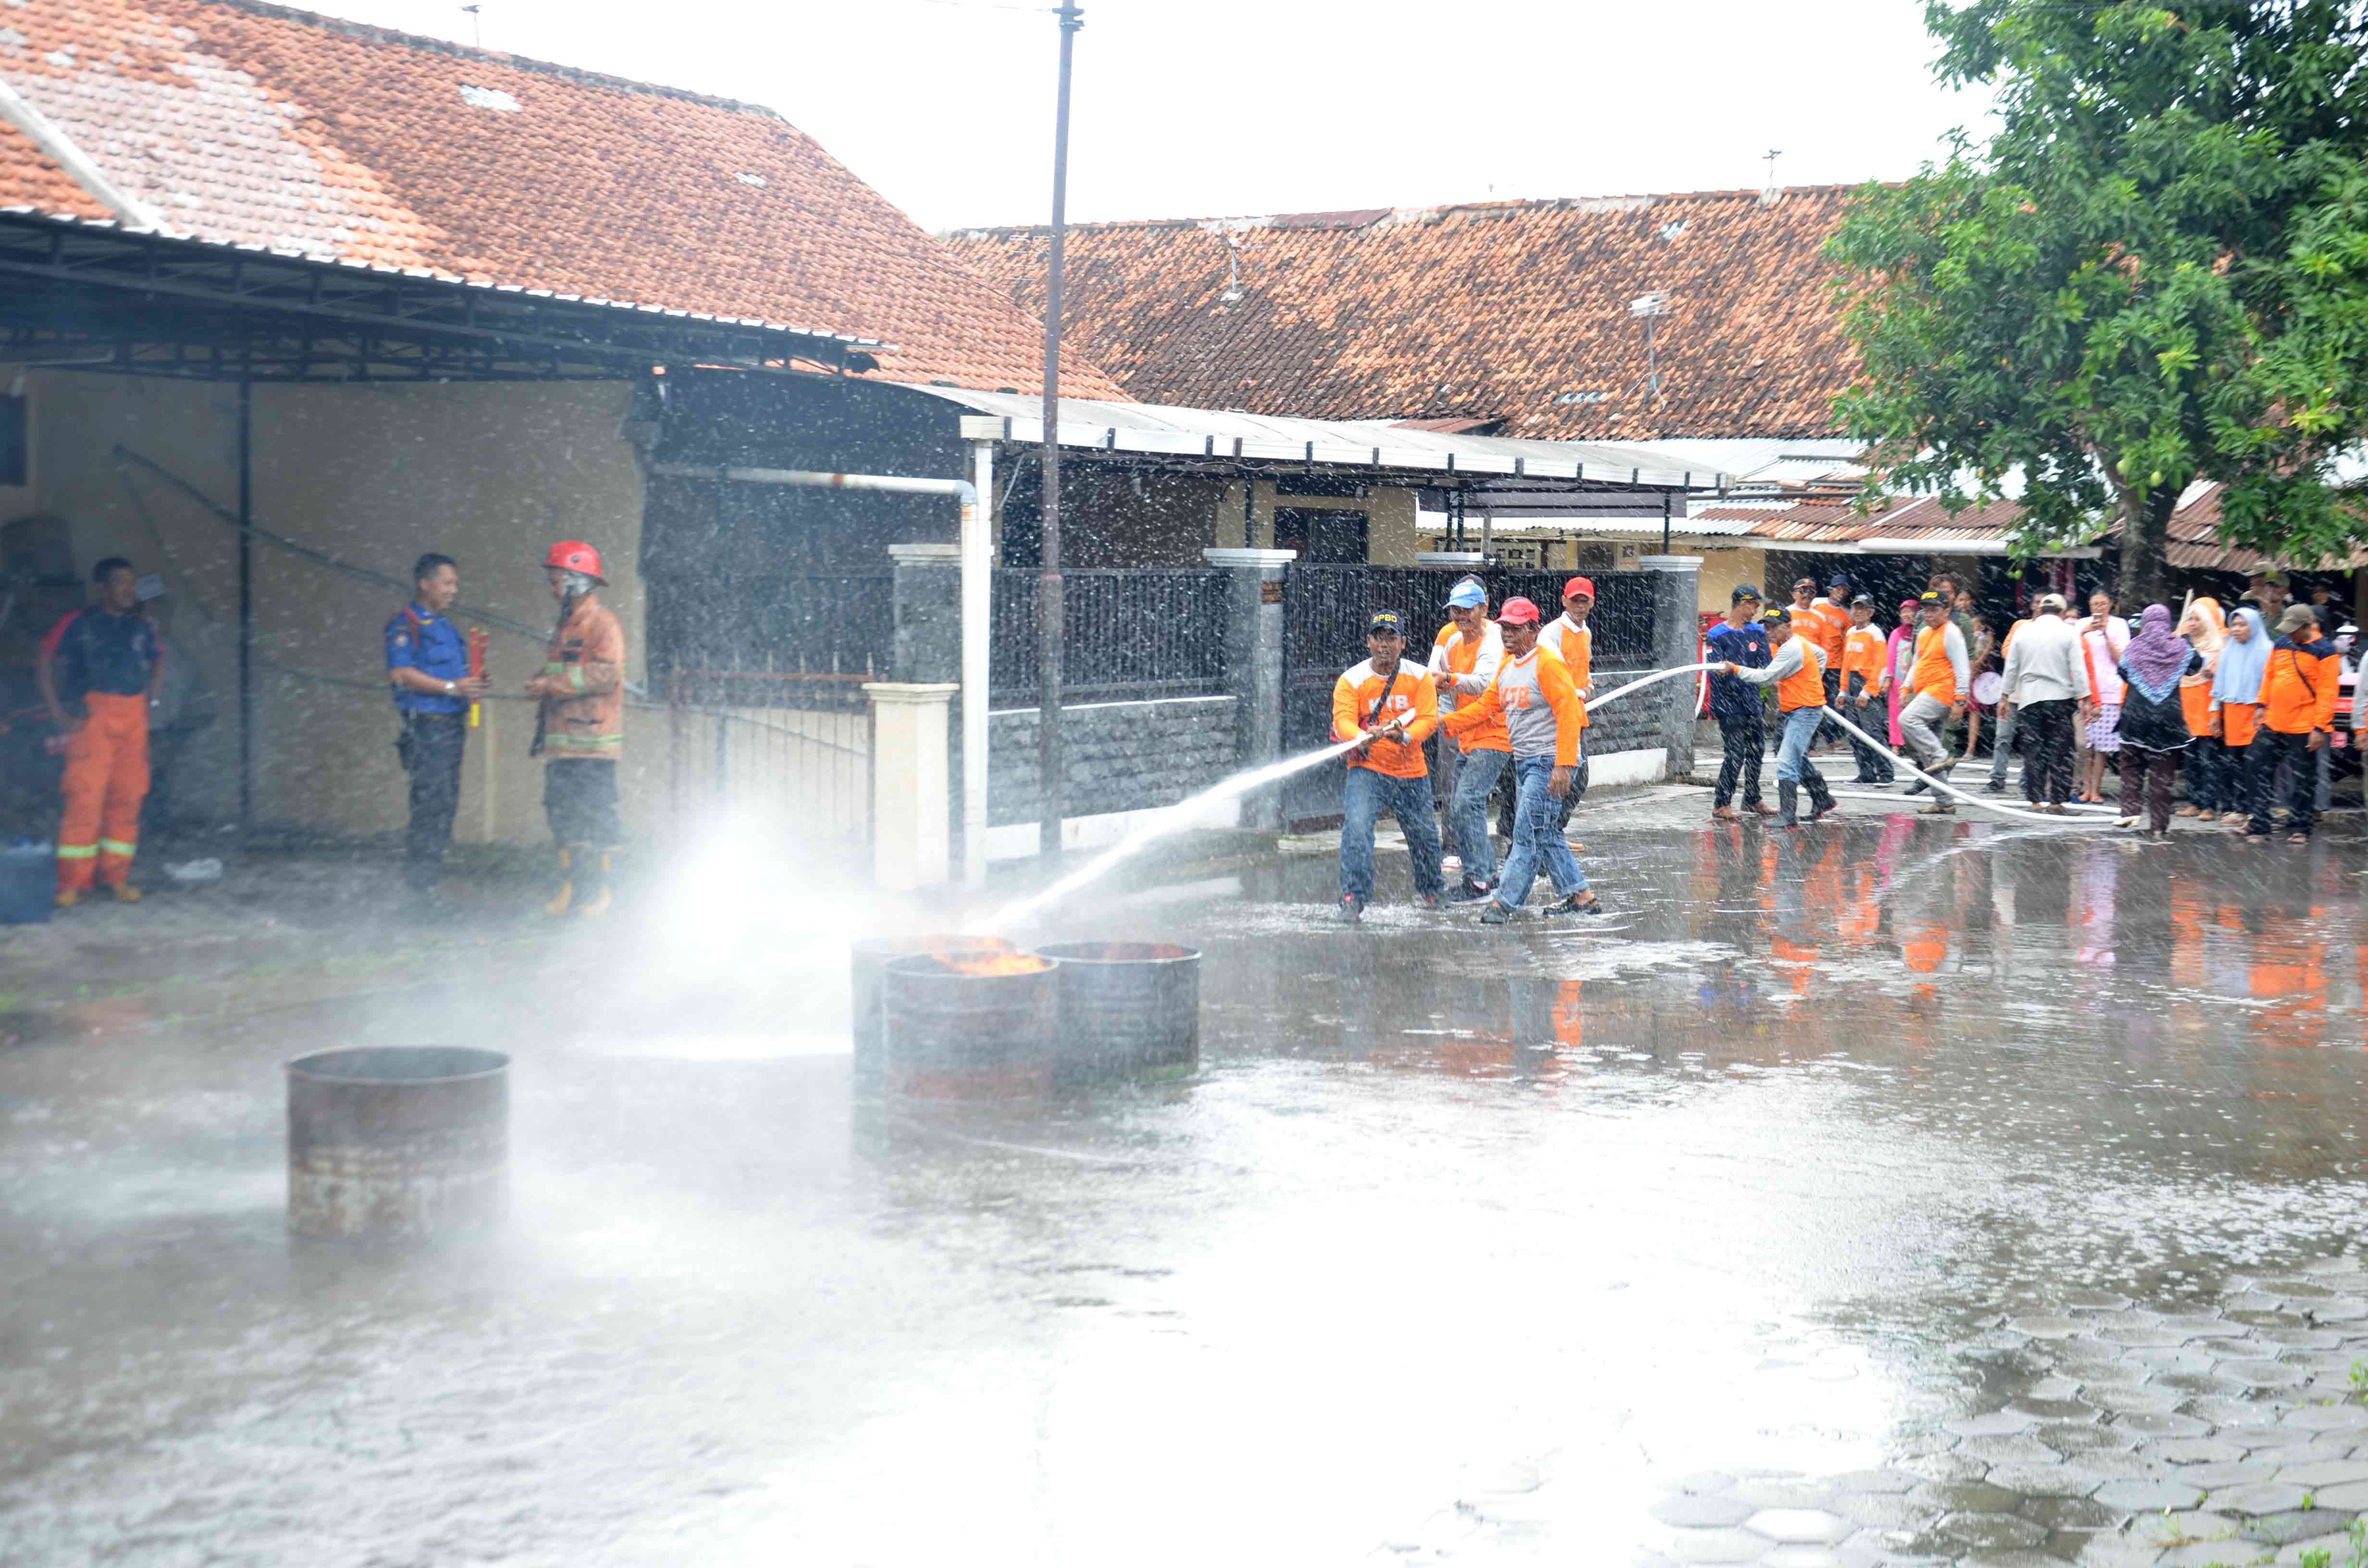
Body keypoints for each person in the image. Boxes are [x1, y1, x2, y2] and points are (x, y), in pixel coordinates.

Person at [1444, 596, 1599, 923]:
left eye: (1517, 628)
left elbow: (1570, 712)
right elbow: (1487, 706)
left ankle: (1504, 904)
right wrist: (1445, 723)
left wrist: (1564, 764)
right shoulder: (1508, 666)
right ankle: (1582, 896)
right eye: (1505, 628)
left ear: (1534, 629)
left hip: (1549, 763)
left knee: (1526, 834)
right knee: (1545, 833)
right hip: (1527, 763)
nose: (1509, 634)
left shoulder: (1547, 663)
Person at [37, 558, 163, 907]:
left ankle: (116, 877)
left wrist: (151, 702)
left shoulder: (142, 627)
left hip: (133, 716)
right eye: (121, 583)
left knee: (128, 798)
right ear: (102, 589)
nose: (129, 590)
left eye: (131, 583)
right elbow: (45, 658)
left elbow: (159, 659)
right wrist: (58, 713)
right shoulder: (77, 623)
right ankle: (72, 883)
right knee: (85, 799)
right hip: (92, 717)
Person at [525, 540, 626, 916]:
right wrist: (541, 681)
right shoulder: (566, 626)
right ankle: (572, 888)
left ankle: (601, 893)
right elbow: (564, 672)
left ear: (577, 581)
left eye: (556, 581)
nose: (552, 589)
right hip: (564, 746)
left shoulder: (602, 624)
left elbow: (605, 673)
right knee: (563, 817)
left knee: (596, 817)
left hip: (592, 745)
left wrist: (551, 685)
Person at [386, 553, 492, 901]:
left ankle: (429, 882)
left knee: (445, 804)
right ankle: (420, 887)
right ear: (425, 583)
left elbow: (456, 677)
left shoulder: (446, 627)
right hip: (427, 729)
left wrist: (472, 683)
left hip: (450, 728)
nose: (453, 591)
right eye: (447, 583)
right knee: (430, 805)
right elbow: (401, 675)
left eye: (455, 584)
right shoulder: (407, 624)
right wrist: (451, 688)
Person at [1332, 609, 1443, 921]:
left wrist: (1405, 736)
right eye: (1379, 637)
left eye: (1392, 637)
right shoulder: (1351, 680)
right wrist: (1360, 737)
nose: (1385, 644)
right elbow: (1343, 722)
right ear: (1369, 641)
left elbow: (1428, 720)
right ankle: (1353, 898)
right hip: (1368, 771)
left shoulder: (1420, 676)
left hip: (1412, 771)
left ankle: (1432, 890)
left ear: (1403, 643)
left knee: (1424, 835)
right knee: (1356, 830)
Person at [1716, 607, 1837, 829]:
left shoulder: (1791, 649)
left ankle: (1788, 816)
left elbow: (1765, 677)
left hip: (1805, 710)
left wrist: (1735, 669)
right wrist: (1809, 679)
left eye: (1774, 627)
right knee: (1793, 755)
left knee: (1787, 762)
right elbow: (1821, 656)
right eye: (1767, 627)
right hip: (1797, 709)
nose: (1769, 632)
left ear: (1787, 627)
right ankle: (1823, 799)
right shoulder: (1798, 643)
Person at [1428, 579, 1507, 901]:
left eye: (1467, 610)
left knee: (1467, 802)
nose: (1461, 616)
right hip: (1467, 737)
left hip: (1494, 735)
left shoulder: (1492, 642)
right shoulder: (1453, 645)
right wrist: (1442, 720)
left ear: (1483, 609)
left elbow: (1484, 684)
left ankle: (1478, 882)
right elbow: (1443, 692)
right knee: (1461, 807)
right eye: (1455, 610)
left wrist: (1450, 679)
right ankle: (1485, 874)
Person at [2245, 603, 2341, 845]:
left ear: (2308, 627)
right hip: (2274, 721)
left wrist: (2320, 728)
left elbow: (2328, 693)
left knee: (2302, 778)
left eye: (2294, 630)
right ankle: (2259, 824)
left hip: (2305, 725)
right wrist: (2261, 705)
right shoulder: (2282, 644)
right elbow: (2270, 676)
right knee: (2255, 766)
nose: (2290, 635)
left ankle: (2300, 827)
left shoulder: (2326, 651)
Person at [2112, 604, 2203, 839]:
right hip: (2168, 718)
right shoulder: (2180, 646)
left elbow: (2123, 672)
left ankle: (2131, 810)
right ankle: (2158, 828)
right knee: (2162, 774)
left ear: (2144, 623)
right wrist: (2184, 643)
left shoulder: (2135, 647)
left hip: (2136, 715)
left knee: (2131, 764)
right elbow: (2196, 666)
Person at [1999, 593, 2087, 812]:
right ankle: (2057, 801)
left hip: (2029, 698)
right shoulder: (2069, 632)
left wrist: (2004, 696)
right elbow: (2078, 668)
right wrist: (2085, 698)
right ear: (2063, 612)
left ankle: (2035, 801)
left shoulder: (2023, 631)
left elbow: (2011, 667)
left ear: (2040, 610)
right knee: (2061, 751)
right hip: (2060, 698)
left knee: (2033, 751)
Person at [1703, 583, 1776, 819]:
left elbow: (1766, 663)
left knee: (1757, 750)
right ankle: (1721, 803)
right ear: (1743, 604)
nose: (1756, 610)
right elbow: (1714, 668)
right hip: (1728, 703)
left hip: (1752, 700)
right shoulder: (1717, 635)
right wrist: (1723, 669)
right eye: (1754, 605)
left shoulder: (1757, 632)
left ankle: (1752, 799)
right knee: (1735, 753)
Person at [1897, 591, 1971, 812]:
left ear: (1947, 611)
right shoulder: (1924, 633)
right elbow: (1917, 663)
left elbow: (1963, 668)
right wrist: (1905, 687)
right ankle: (1945, 803)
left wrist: (1960, 699)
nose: (1928, 614)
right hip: (1925, 691)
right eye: (1926, 609)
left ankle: (1941, 755)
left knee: (1907, 720)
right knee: (1929, 754)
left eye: (1934, 609)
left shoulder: (1952, 633)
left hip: (1942, 691)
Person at [1536, 576, 1596, 822]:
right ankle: (1551, 830)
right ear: (1564, 601)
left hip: (1576, 713)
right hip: (1557, 713)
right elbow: (1548, 673)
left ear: (1592, 602)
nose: (1579, 606)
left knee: (1577, 776)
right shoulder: (1551, 633)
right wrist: (1578, 693)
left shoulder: (1586, 633)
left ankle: (1555, 831)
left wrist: (1589, 684)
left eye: (1585, 601)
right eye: (1575, 601)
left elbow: (1584, 668)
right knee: (1567, 774)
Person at [2213, 602, 2271, 828]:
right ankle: (2237, 807)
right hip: (2233, 715)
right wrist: (2214, 713)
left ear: (2254, 626)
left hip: (2257, 715)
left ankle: (2253, 809)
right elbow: (2220, 685)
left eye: (2242, 625)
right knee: (2232, 764)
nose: (2236, 629)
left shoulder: (2267, 650)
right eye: (2234, 625)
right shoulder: (2228, 651)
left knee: (2254, 765)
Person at [2075, 591, 2130, 804]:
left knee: (2103, 747)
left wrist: (2106, 635)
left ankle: (2096, 789)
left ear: (2111, 605)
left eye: (2103, 604)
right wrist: (2085, 633)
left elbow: (2122, 660)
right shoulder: (2080, 625)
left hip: (2111, 692)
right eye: (2095, 604)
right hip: (2085, 691)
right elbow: (2072, 654)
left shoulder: (2119, 626)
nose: (2098, 608)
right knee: (2085, 745)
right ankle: (2086, 788)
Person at [2174, 599, 2227, 819]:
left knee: (2208, 762)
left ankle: (2209, 806)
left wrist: (2216, 714)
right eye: (2190, 619)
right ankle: (2194, 802)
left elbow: (2220, 686)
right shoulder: (2183, 646)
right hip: (2187, 714)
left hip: (2207, 713)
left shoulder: (2219, 648)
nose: (2193, 623)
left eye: (2197, 619)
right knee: (2191, 762)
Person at [1839, 594, 1893, 783]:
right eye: (1856, 608)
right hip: (1852, 683)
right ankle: (1866, 773)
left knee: (1873, 732)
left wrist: (1867, 692)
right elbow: (1846, 663)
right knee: (1855, 733)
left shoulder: (1876, 633)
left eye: (1863, 609)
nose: (1859, 612)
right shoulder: (1851, 632)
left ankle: (1886, 774)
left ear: (1871, 612)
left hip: (1867, 684)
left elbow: (1881, 666)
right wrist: (1843, 690)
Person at [1983, 606, 2032, 795]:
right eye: (2035, 603)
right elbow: (2007, 653)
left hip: (2033, 695)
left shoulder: (2055, 630)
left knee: (2031, 741)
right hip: (2012, 693)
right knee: (2002, 737)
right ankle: (1997, 779)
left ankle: (2027, 781)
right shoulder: (2020, 625)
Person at [1885, 598, 1919, 749]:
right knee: (1895, 712)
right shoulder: (1896, 633)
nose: (1906, 615)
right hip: (1898, 680)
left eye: (1910, 611)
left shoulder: (1921, 632)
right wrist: (1889, 677)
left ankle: (1913, 745)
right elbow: (1891, 657)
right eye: (1903, 612)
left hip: (1916, 680)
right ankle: (1896, 745)